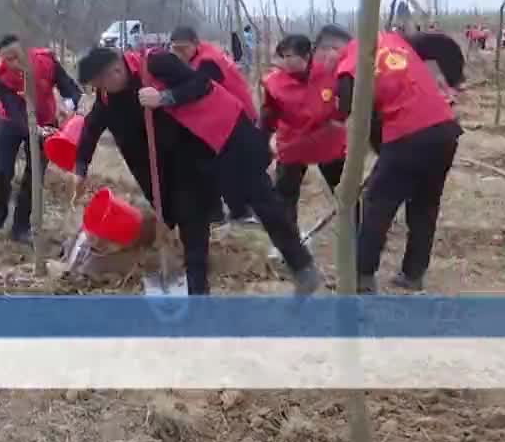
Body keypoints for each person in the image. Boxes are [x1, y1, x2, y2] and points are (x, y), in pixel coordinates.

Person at [72, 47, 321, 296]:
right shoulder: (108, 98)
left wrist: (163, 98)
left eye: (100, 83)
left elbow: (200, 85)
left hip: (221, 138)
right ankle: (198, 299)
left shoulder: (155, 63)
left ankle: (302, 266)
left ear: (115, 70)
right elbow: (92, 126)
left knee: (263, 200)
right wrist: (80, 169)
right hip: (185, 161)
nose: (100, 90)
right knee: (191, 225)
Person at [312, 25, 464, 293]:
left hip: (408, 132)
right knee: (425, 206)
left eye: (323, 59)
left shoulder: (350, 61)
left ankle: (361, 276)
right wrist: (454, 78)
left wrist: (339, 118)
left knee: (377, 204)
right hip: (445, 130)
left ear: (332, 49)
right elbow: (440, 43)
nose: (325, 67)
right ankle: (413, 274)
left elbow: (354, 110)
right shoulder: (392, 40)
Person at [0, 35, 82, 244]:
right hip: (10, 120)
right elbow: (12, 107)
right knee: (2, 170)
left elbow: (72, 90)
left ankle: (21, 227)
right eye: (7, 60)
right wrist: (32, 128)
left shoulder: (46, 61)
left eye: (16, 57)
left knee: (34, 175)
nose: (13, 64)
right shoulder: (0, 73)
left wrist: (67, 106)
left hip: (46, 120)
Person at [168, 26, 258, 225]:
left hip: (237, 119)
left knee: (227, 167)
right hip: (230, 119)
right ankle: (232, 210)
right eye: (174, 49)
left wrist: (166, 98)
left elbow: (199, 91)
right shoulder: (201, 56)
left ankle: (241, 211)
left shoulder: (207, 62)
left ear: (195, 44)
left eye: (183, 49)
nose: (178, 54)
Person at [260, 34, 347, 229]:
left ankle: (356, 234)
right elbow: (268, 115)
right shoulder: (274, 83)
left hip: (327, 141)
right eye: (283, 56)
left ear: (307, 56)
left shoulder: (328, 74)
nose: (286, 62)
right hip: (293, 143)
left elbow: (345, 104)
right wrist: (262, 142)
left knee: (344, 191)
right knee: (285, 196)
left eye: (290, 56)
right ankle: (288, 244)